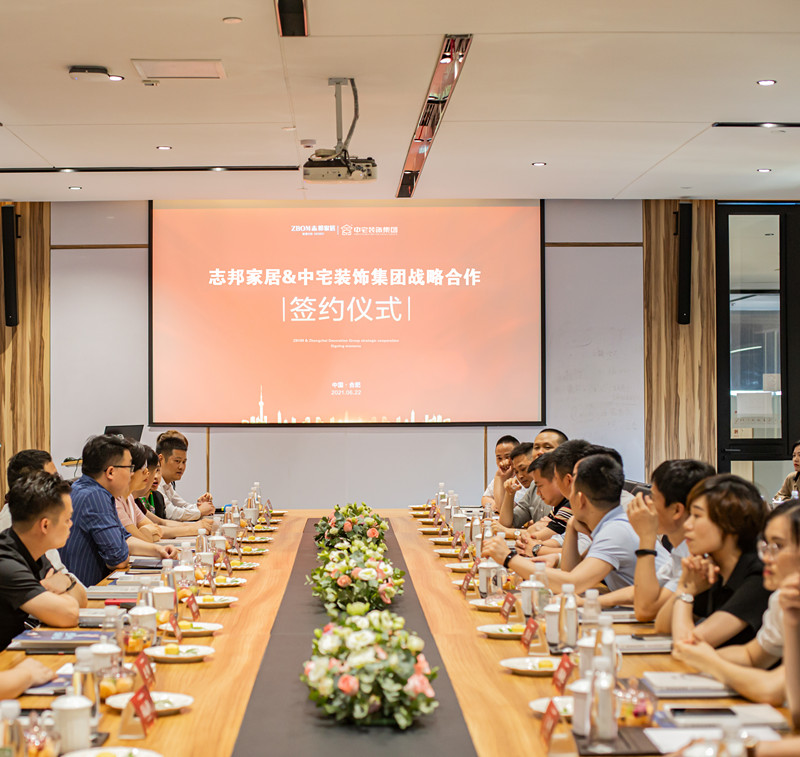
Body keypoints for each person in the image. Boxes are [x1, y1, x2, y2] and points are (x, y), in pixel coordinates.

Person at [670, 502, 799, 704]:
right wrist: (697, 656)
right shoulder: (782, 598)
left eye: (778, 546)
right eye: (765, 546)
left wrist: (711, 662)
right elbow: (751, 655)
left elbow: (773, 690)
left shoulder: (757, 578)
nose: (766, 557)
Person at [484, 454, 669, 593]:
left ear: (580, 498)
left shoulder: (616, 530)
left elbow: (572, 583)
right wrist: (572, 526)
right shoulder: (607, 522)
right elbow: (571, 569)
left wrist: (509, 558)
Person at [659, 473, 770, 647]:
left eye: (697, 516)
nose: (687, 525)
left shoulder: (760, 575)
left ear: (731, 523)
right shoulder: (714, 567)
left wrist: (686, 591)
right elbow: (662, 626)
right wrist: (684, 585)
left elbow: (687, 644)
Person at [601, 459, 715, 616]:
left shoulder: (697, 556)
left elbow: (645, 609)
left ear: (676, 510)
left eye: (653, 498)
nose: (647, 503)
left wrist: (646, 536)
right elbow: (641, 592)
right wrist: (589, 602)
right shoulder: (681, 549)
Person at [60, 435, 178, 587]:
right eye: (129, 468)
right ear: (110, 472)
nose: (132, 474)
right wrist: (125, 547)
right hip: (89, 592)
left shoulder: (91, 490)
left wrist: (159, 550)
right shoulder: (95, 496)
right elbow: (118, 559)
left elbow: (125, 539)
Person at [0, 472, 82, 650]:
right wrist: (64, 590)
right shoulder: (6, 562)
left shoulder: (32, 550)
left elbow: (81, 600)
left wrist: (65, 580)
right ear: (45, 525)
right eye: (67, 519)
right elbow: (69, 614)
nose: (71, 525)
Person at [2, 449, 87, 603]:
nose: (58, 483)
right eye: (52, 478)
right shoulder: (17, 527)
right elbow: (68, 608)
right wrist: (66, 584)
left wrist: (66, 580)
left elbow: (78, 595)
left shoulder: (39, 554)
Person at [133, 447, 213, 538]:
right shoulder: (125, 500)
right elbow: (152, 530)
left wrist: (198, 523)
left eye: (158, 470)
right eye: (177, 461)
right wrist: (195, 527)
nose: (155, 476)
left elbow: (161, 522)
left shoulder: (149, 497)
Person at [497, 430, 567, 531]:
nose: (540, 452)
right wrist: (509, 493)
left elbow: (554, 531)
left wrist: (512, 533)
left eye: (547, 447)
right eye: (536, 447)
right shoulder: (534, 486)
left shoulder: (569, 486)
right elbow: (507, 523)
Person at [157, 431, 214, 521]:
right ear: (161, 459)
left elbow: (183, 505)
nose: (181, 467)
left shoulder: (168, 484)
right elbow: (171, 513)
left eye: (184, 462)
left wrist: (201, 505)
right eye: (177, 461)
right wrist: (200, 511)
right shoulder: (154, 483)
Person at [115, 442, 162, 543]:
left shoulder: (130, 498)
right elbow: (137, 540)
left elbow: (156, 529)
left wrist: (145, 533)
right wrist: (146, 534)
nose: (146, 472)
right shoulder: (115, 500)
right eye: (142, 467)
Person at [480, 435, 520, 512]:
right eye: (499, 458)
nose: (503, 462)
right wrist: (495, 505)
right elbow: (485, 498)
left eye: (507, 457)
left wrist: (499, 477)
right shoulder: (501, 475)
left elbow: (504, 509)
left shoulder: (522, 478)